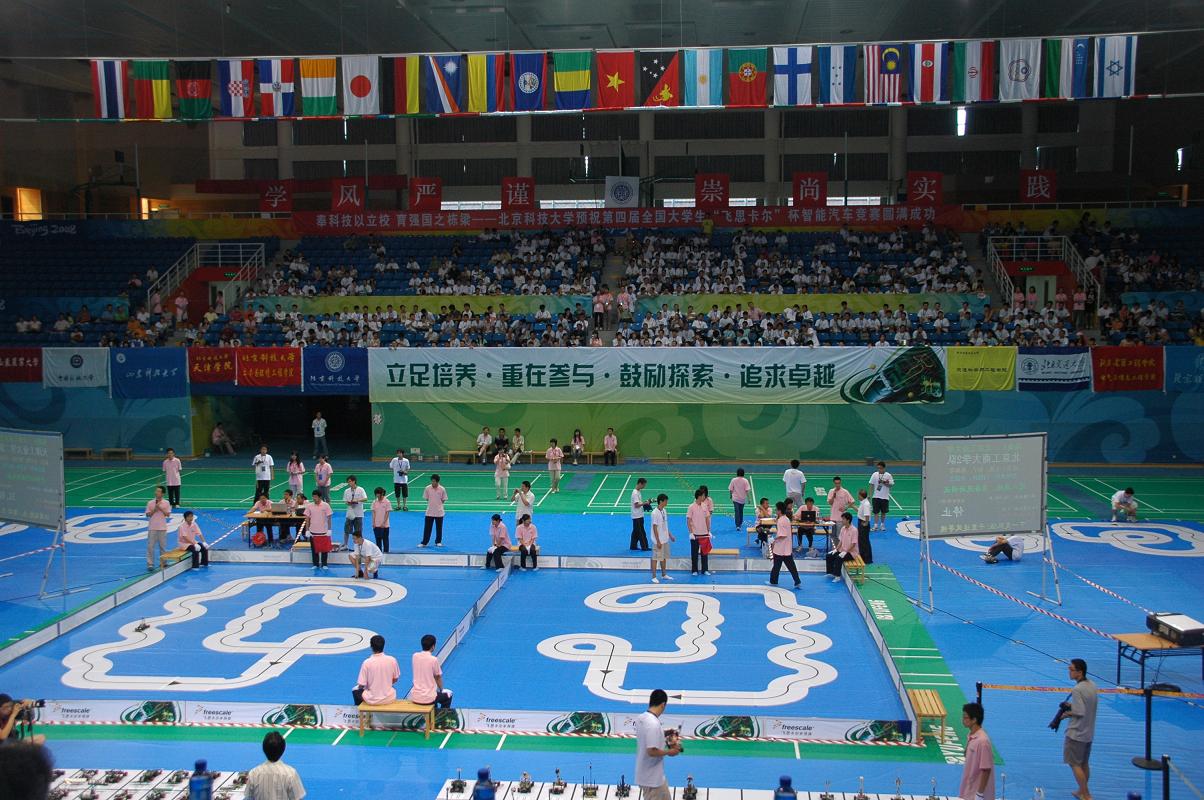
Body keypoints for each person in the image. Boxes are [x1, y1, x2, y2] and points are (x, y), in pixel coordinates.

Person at [634, 689, 682, 800]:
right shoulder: (653, 724)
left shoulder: (641, 718)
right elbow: (651, 751)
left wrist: (665, 733)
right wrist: (670, 752)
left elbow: (647, 736)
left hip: (648, 775)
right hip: (652, 780)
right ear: (663, 704)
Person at [1062, 658, 1098, 800]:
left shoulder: (1077, 689)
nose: (1069, 672)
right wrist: (1072, 706)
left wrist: (1066, 714)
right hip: (1088, 732)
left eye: (1071, 670)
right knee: (1084, 763)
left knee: (1074, 764)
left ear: (1080, 672)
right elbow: (1086, 706)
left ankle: (1086, 794)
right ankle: (1081, 791)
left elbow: (1079, 711)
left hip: (1076, 733)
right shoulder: (1092, 685)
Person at [244, 731, 306, 800]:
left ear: (264, 749)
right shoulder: (291, 773)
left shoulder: (253, 773)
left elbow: (249, 797)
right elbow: (298, 797)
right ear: (283, 749)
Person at [958, 702, 995, 800]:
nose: (962, 720)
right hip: (970, 790)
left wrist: (979, 794)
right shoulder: (972, 736)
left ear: (974, 720)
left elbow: (986, 769)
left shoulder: (983, 742)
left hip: (978, 794)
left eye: (965, 717)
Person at [408, 634, 453, 709]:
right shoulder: (433, 660)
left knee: (435, 697)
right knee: (448, 697)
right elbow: (438, 677)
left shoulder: (415, 656)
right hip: (428, 698)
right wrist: (442, 689)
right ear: (433, 646)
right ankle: (442, 716)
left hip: (415, 696)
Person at [356, 634, 400, 705]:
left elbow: (361, 684)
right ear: (383, 645)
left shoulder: (367, 662)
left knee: (356, 691)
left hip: (371, 700)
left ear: (371, 646)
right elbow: (395, 679)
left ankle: (358, 711)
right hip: (389, 698)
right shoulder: (392, 660)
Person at [826, 511, 860, 582]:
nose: (842, 520)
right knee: (829, 556)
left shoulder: (854, 530)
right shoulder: (843, 528)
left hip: (851, 553)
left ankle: (837, 576)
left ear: (848, 520)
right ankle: (831, 572)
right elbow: (841, 541)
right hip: (842, 550)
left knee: (838, 558)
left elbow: (853, 544)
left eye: (843, 519)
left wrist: (846, 552)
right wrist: (836, 549)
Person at [686, 488, 712, 576]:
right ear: (699, 496)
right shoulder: (691, 507)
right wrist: (691, 533)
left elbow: (707, 519)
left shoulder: (705, 506)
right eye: (703, 495)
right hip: (695, 534)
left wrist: (708, 531)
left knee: (705, 552)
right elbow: (688, 520)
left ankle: (705, 570)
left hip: (704, 533)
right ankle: (694, 570)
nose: (705, 497)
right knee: (694, 553)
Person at [304, 493, 333, 570]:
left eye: (316, 497)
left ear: (320, 497)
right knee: (314, 549)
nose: (314, 498)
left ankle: (324, 564)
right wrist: (307, 530)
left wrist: (329, 529)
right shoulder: (309, 506)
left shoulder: (326, 505)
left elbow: (329, 518)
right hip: (313, 531)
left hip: (323, 531)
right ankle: (315, 564)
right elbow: (307, 519)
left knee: (324, 549)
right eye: (313, 497)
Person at [650, 493, 675, 584]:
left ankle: (664, 574)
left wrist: (670, 535)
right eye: (665, 501)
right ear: (661, 501)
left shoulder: (664, 510)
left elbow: (665, 524)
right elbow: (654, 527)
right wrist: (658, 541)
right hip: (658, 540)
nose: (667, 502)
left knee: (663, 557)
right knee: (655, 558)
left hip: (665, 538)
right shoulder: (654, 513)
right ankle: (653, 576)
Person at [145, 485, 171, 571]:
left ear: (163, 493)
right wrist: (154, 509)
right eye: (156, 491)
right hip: (152, 527)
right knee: (150, 546)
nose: (156, 493)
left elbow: (168, 514)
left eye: (159, 491)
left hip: (162, 527)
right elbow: (148, 514)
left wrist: (160, 508)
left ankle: (163, 562)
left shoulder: (166, 503)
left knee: (162, 546)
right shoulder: (150, 503)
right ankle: (150, 563)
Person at [420, 474, 447, 547]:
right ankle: (424, 542)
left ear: (437, 481)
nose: (433, 483)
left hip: (439, 512)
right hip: (429, 512)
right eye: (432, 481)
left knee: (439, 528)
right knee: (427, 528)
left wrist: (437, 505)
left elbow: (443, 500)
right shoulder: (427, 488)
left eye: (434, 481)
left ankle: (438, 541)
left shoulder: (442, 489)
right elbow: (427, 498)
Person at [342, 475, 367, 552]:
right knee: (346, 530)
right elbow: (345, 500)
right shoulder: (346, 491)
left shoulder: (360, 489)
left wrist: (357, 500)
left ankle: (359, 546)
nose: (349, 483)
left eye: (350, 481)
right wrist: (348, 502)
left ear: (354, 481)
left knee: (358, 531)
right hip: (350, 513)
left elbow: (365, 498)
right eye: (348, 482)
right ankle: (345, 545)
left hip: (358, 514)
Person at [868, 461, 894, 532]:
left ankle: (882, 525)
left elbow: (891, 485)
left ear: (884, 468)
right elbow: (871, 484)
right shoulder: (874, 474)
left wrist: (884, 482)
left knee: (883, 512)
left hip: (885, 497)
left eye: (881, 468)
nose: (879, 470)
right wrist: (869, 495)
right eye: (878, 468)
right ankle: (875, 525)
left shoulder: (888, 475)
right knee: (876, 512)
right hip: (876, 496)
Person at [630, 477, 650, 550]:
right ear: (640, 484)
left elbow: (639, 503)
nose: (644, 487)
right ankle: (645, 547)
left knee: (635, 531)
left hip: (638, 515)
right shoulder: (635, 493)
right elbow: (636, 505)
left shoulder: (638, 491)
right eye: (643, 485)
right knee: (641, 532)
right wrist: (645, 503)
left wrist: (645, 502)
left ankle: (633, 546)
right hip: (637, 516)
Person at [370, 487, 391, 553]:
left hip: (385, 525)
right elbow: (373, 513)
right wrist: (373, 522)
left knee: (385, 539)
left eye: (378, 494)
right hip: (376, 525)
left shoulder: (387, 502)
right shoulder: (374, 502)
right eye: (376, 494)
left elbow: (387, 513)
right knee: (378, 540)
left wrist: (384, 523)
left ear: (382, 493)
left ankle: (386, 553)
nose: (377, 495)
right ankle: (379, 553)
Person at [856, 489, 873, 564]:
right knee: (861, 540)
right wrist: (852, 506)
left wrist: (866, 523)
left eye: (858, 495)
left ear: (861, 496)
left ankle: (867, 559)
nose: (857, 496)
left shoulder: (866, 504)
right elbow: (860, 512)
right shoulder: (863, 502)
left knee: (864, 541)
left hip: (863, 523)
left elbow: (867, 514)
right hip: (861, 521)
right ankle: (862, 557)